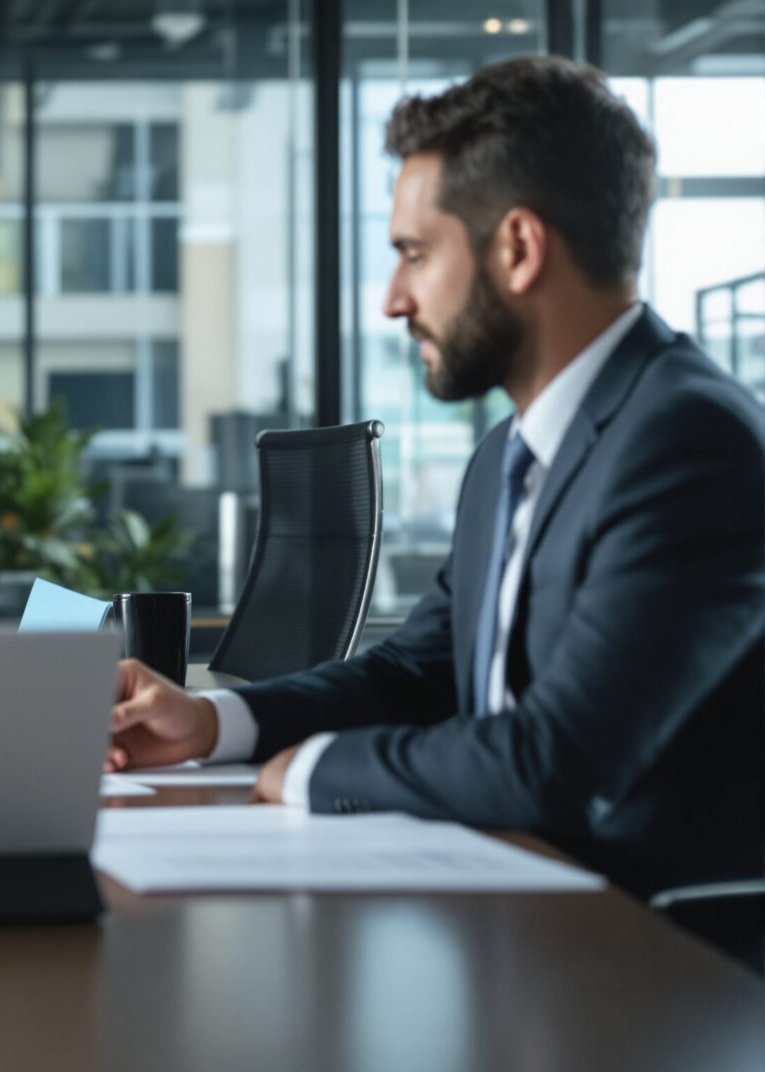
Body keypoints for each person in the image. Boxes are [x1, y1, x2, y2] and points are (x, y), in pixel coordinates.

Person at [109, 57, 764, 960]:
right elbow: (412, 674)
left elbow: (557, 762)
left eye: (416, 254)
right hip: (519, 925)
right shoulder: (508, 456)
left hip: (657, 963)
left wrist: (318, 770)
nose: (393, 299)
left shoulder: (688, 441)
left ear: (519, 249)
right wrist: (215, 723)